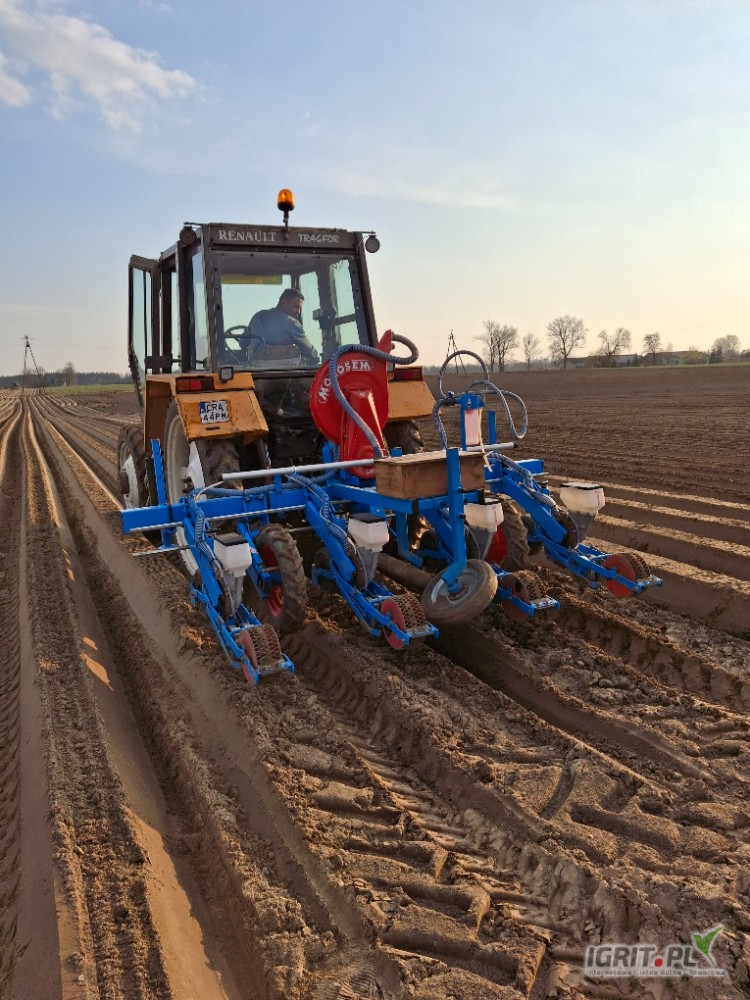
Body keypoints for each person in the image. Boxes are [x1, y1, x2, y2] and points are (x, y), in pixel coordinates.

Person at [246, 288, 320, 366]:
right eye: (296, 306)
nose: (298, 312)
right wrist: (316, 360)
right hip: (286, 370)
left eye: (299, 309)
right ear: (283, 302)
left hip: (256, 368)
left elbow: (244, 342)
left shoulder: (257, 316)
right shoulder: (293, 323)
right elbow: (309, 351)